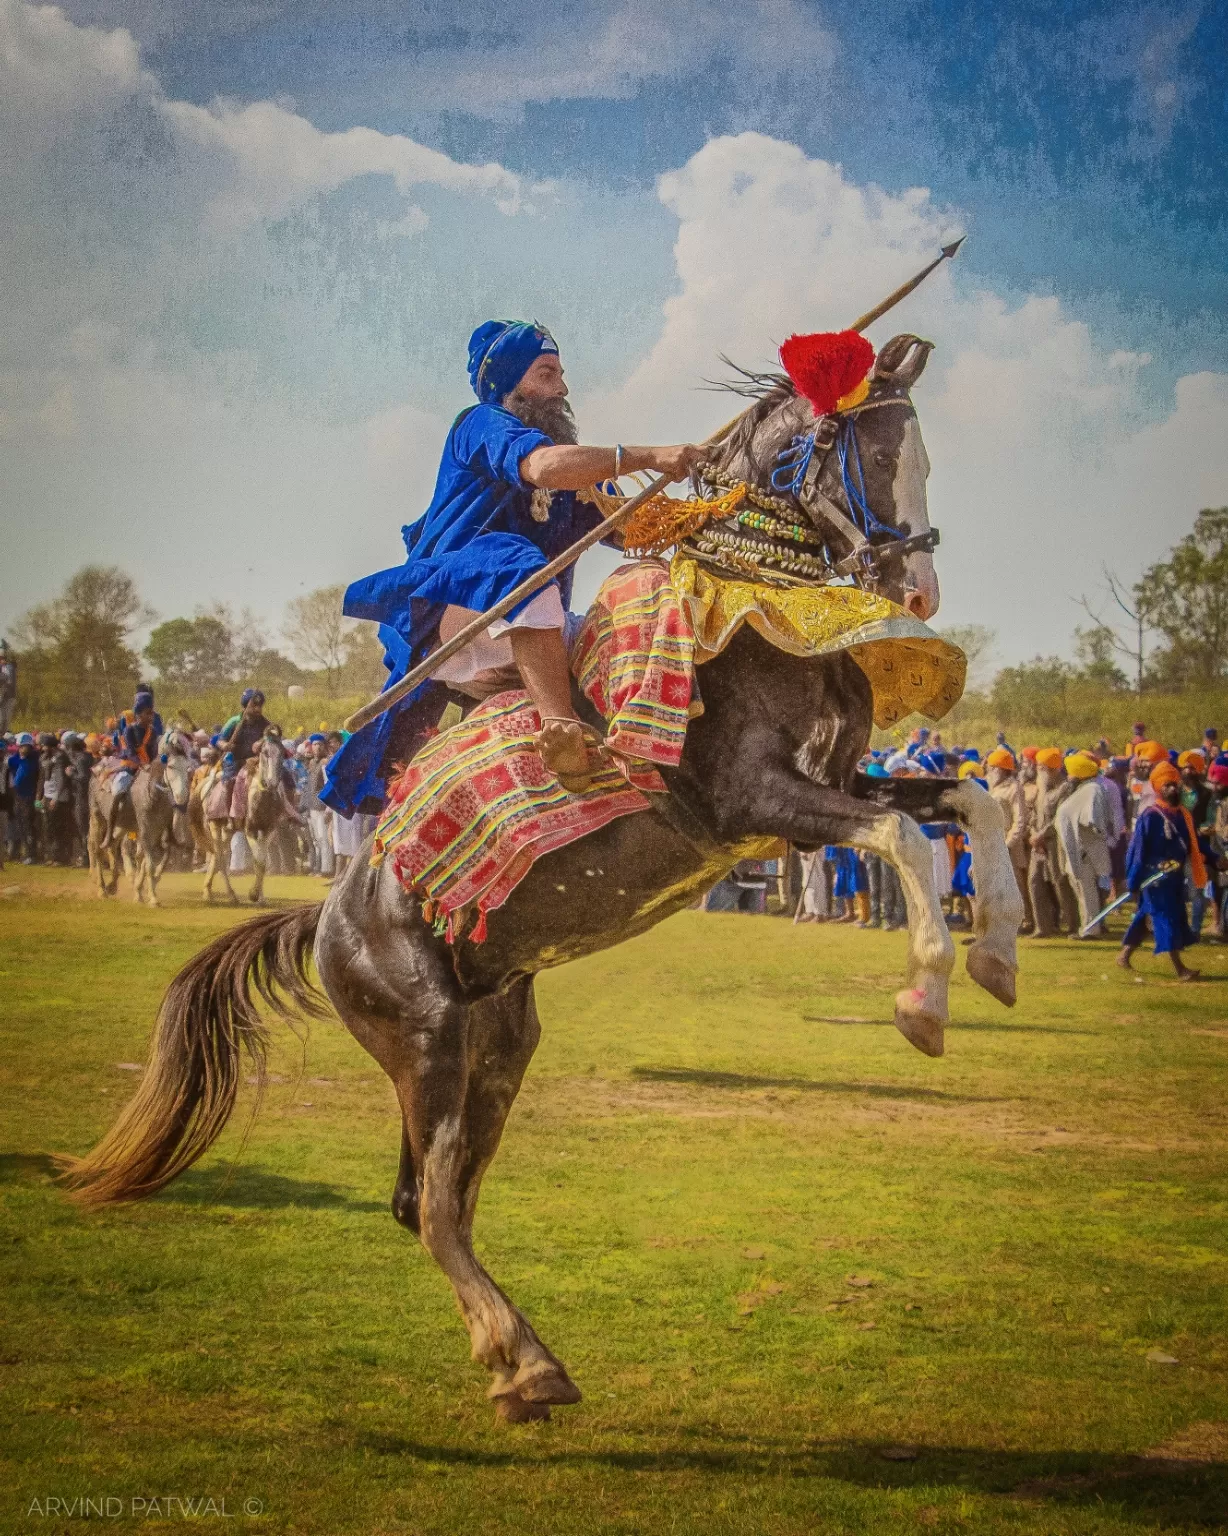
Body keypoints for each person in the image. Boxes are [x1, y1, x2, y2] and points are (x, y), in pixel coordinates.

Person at [325, 320, 702, 817]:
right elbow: (544, 468)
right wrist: (651, 455)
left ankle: (657, 736)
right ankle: (559, 726)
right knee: (513, 558)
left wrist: (721, 503)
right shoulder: (481, 423)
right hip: (459, 616)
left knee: (642, 590)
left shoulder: (576, 477)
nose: (563, 388)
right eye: (547, 373)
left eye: (562, 375)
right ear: (507, 384)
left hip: (527, 628)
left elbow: (635, 529)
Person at [1118, 760, 1204, 981]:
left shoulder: (1182, 815)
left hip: (1174, 879)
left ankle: (1124, 955)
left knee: (1146, 916)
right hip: (1154, 879)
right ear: (1158, 788)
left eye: (1174, 784)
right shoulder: (1150, 816)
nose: (1172, 789)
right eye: (1166, 785)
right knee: (1166, 919)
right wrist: (1134, 880)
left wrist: (1214, 859)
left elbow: (1194, 843)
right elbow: (1137, 851)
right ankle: (1180, 969)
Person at [1055, 752, 1112, 937]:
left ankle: (1091, 928)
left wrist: (1090, 839)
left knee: (1087, 891)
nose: (1068, 777)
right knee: (1081, 890)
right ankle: (1088, 927)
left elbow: (1094, 820)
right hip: (1079, 849)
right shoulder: (1084, 790)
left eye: (1070, 773)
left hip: (1084, 851)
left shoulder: (1092, 789)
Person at [1028, 747, 1078, 936]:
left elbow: (1059, 818)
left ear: (1055, 769)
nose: (1039, 771)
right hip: (1037, 843)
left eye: (1043, 767)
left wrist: (1042, 835)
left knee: (1060, 882)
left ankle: (1073, 925)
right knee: (1035, 882)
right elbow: (1033, 813)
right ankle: (1042, 927)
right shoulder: (1040, 788)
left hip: (1055, 843)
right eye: (1038, 767)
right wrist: (1033, 833)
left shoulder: (1065, 788)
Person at [985, 746, 1031, 933]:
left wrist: (1008, 844)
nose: (988, 771)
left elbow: (1020, 820)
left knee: (1014, 885)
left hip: (1008, 845)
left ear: (1000, 769)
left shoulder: (1013, 788)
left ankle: (1025, 920)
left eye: (991, 767)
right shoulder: (993, 788)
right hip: (992, 843)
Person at [0, 642, 16, 735]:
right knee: (1, 720)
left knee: (6, 720)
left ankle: (2, 736)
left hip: (8, 696)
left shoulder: (9, 667)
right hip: (2, 696)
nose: (3, 660)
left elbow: (8, 679)